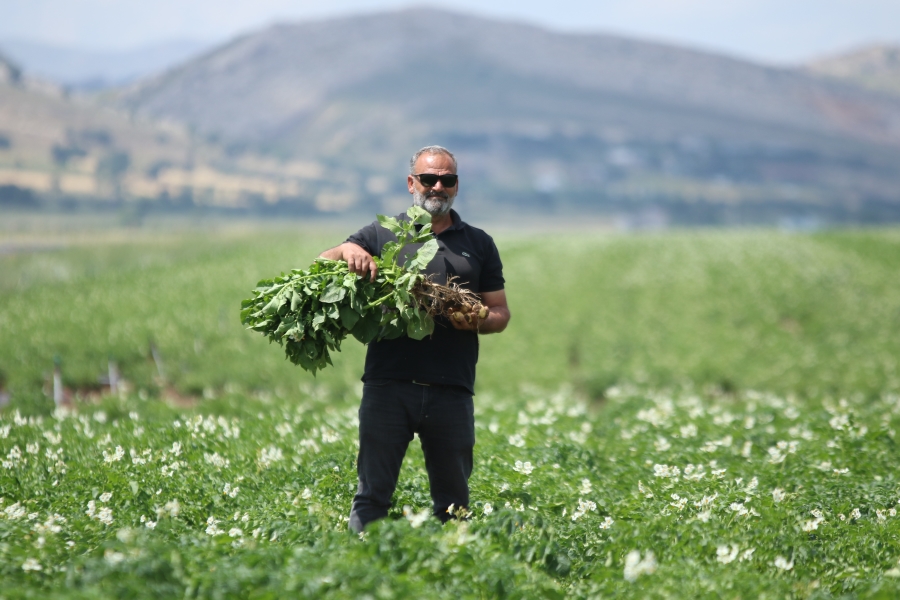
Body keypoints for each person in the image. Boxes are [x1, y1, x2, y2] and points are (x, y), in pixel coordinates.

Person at [319, 145, 511, 532]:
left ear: (456, 186)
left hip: (452, 390)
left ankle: (451, 576)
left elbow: (501, 313)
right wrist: (349, 249)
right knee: (372, 495)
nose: (437, 186)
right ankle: (362, 574)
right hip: (389, 386)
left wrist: (478, 319)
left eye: (447, 180)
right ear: (412, 183)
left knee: (454, 504)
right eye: (429, 179)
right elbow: (324, 262)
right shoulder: (382, 233)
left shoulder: (479, 243)